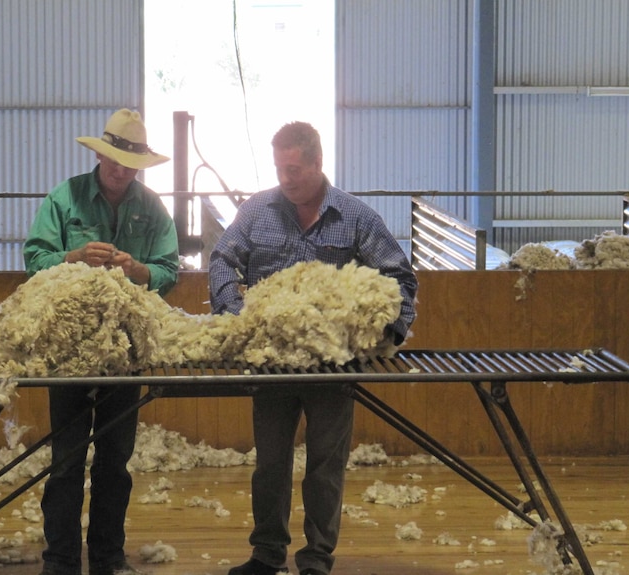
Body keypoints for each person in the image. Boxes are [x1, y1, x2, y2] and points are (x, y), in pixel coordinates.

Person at [208, 121, 418, 575]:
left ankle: (316, 559)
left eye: (295, 169)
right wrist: (232, 315)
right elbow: (223, 257)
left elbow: (401, 278)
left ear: (318, 164)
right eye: (280, 168)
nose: (286, 177)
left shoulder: (356, 217)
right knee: (270, 464)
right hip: (272, 363)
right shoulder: (257, 211)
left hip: (331, 365)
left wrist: (388, 331)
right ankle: (266, 555)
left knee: (325, 465)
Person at [24, 108, 179, 575]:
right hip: (70, 350)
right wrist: (70, 258)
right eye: (113, 160)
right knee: (67, 457)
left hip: (125, 350)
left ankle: (108, 557)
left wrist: (139, 271)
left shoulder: (151, 209)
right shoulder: (64, 199)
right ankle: (61, 559)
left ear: (139, 167)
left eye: (129, 164)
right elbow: (34, 258)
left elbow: (169, 271)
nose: (120, 169)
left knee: (115, 459)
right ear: (99, 155)